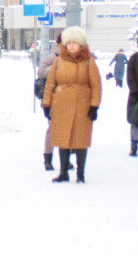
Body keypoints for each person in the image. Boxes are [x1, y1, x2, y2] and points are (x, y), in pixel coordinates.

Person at [41, 26, 101, 183]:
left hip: (83, 106)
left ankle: (80, 173)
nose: (72, 46)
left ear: (81, 44)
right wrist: (46, 104)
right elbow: (50, 84)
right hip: (61, 105)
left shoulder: (89, 62)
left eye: (75, 43)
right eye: (69, 43)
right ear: (65, 45)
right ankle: (63, 173)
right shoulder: (59, 62)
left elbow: (96, 85)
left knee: (81, 138)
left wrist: (94, 105)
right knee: (62, 137)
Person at [35, 33, 64, 172]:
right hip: (53, 97)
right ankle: (48, 158)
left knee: (66, 128)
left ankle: (66, 160)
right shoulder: (54, 56)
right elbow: (40, 72)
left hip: (67, 97)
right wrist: (55, 69)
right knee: (52, 128)